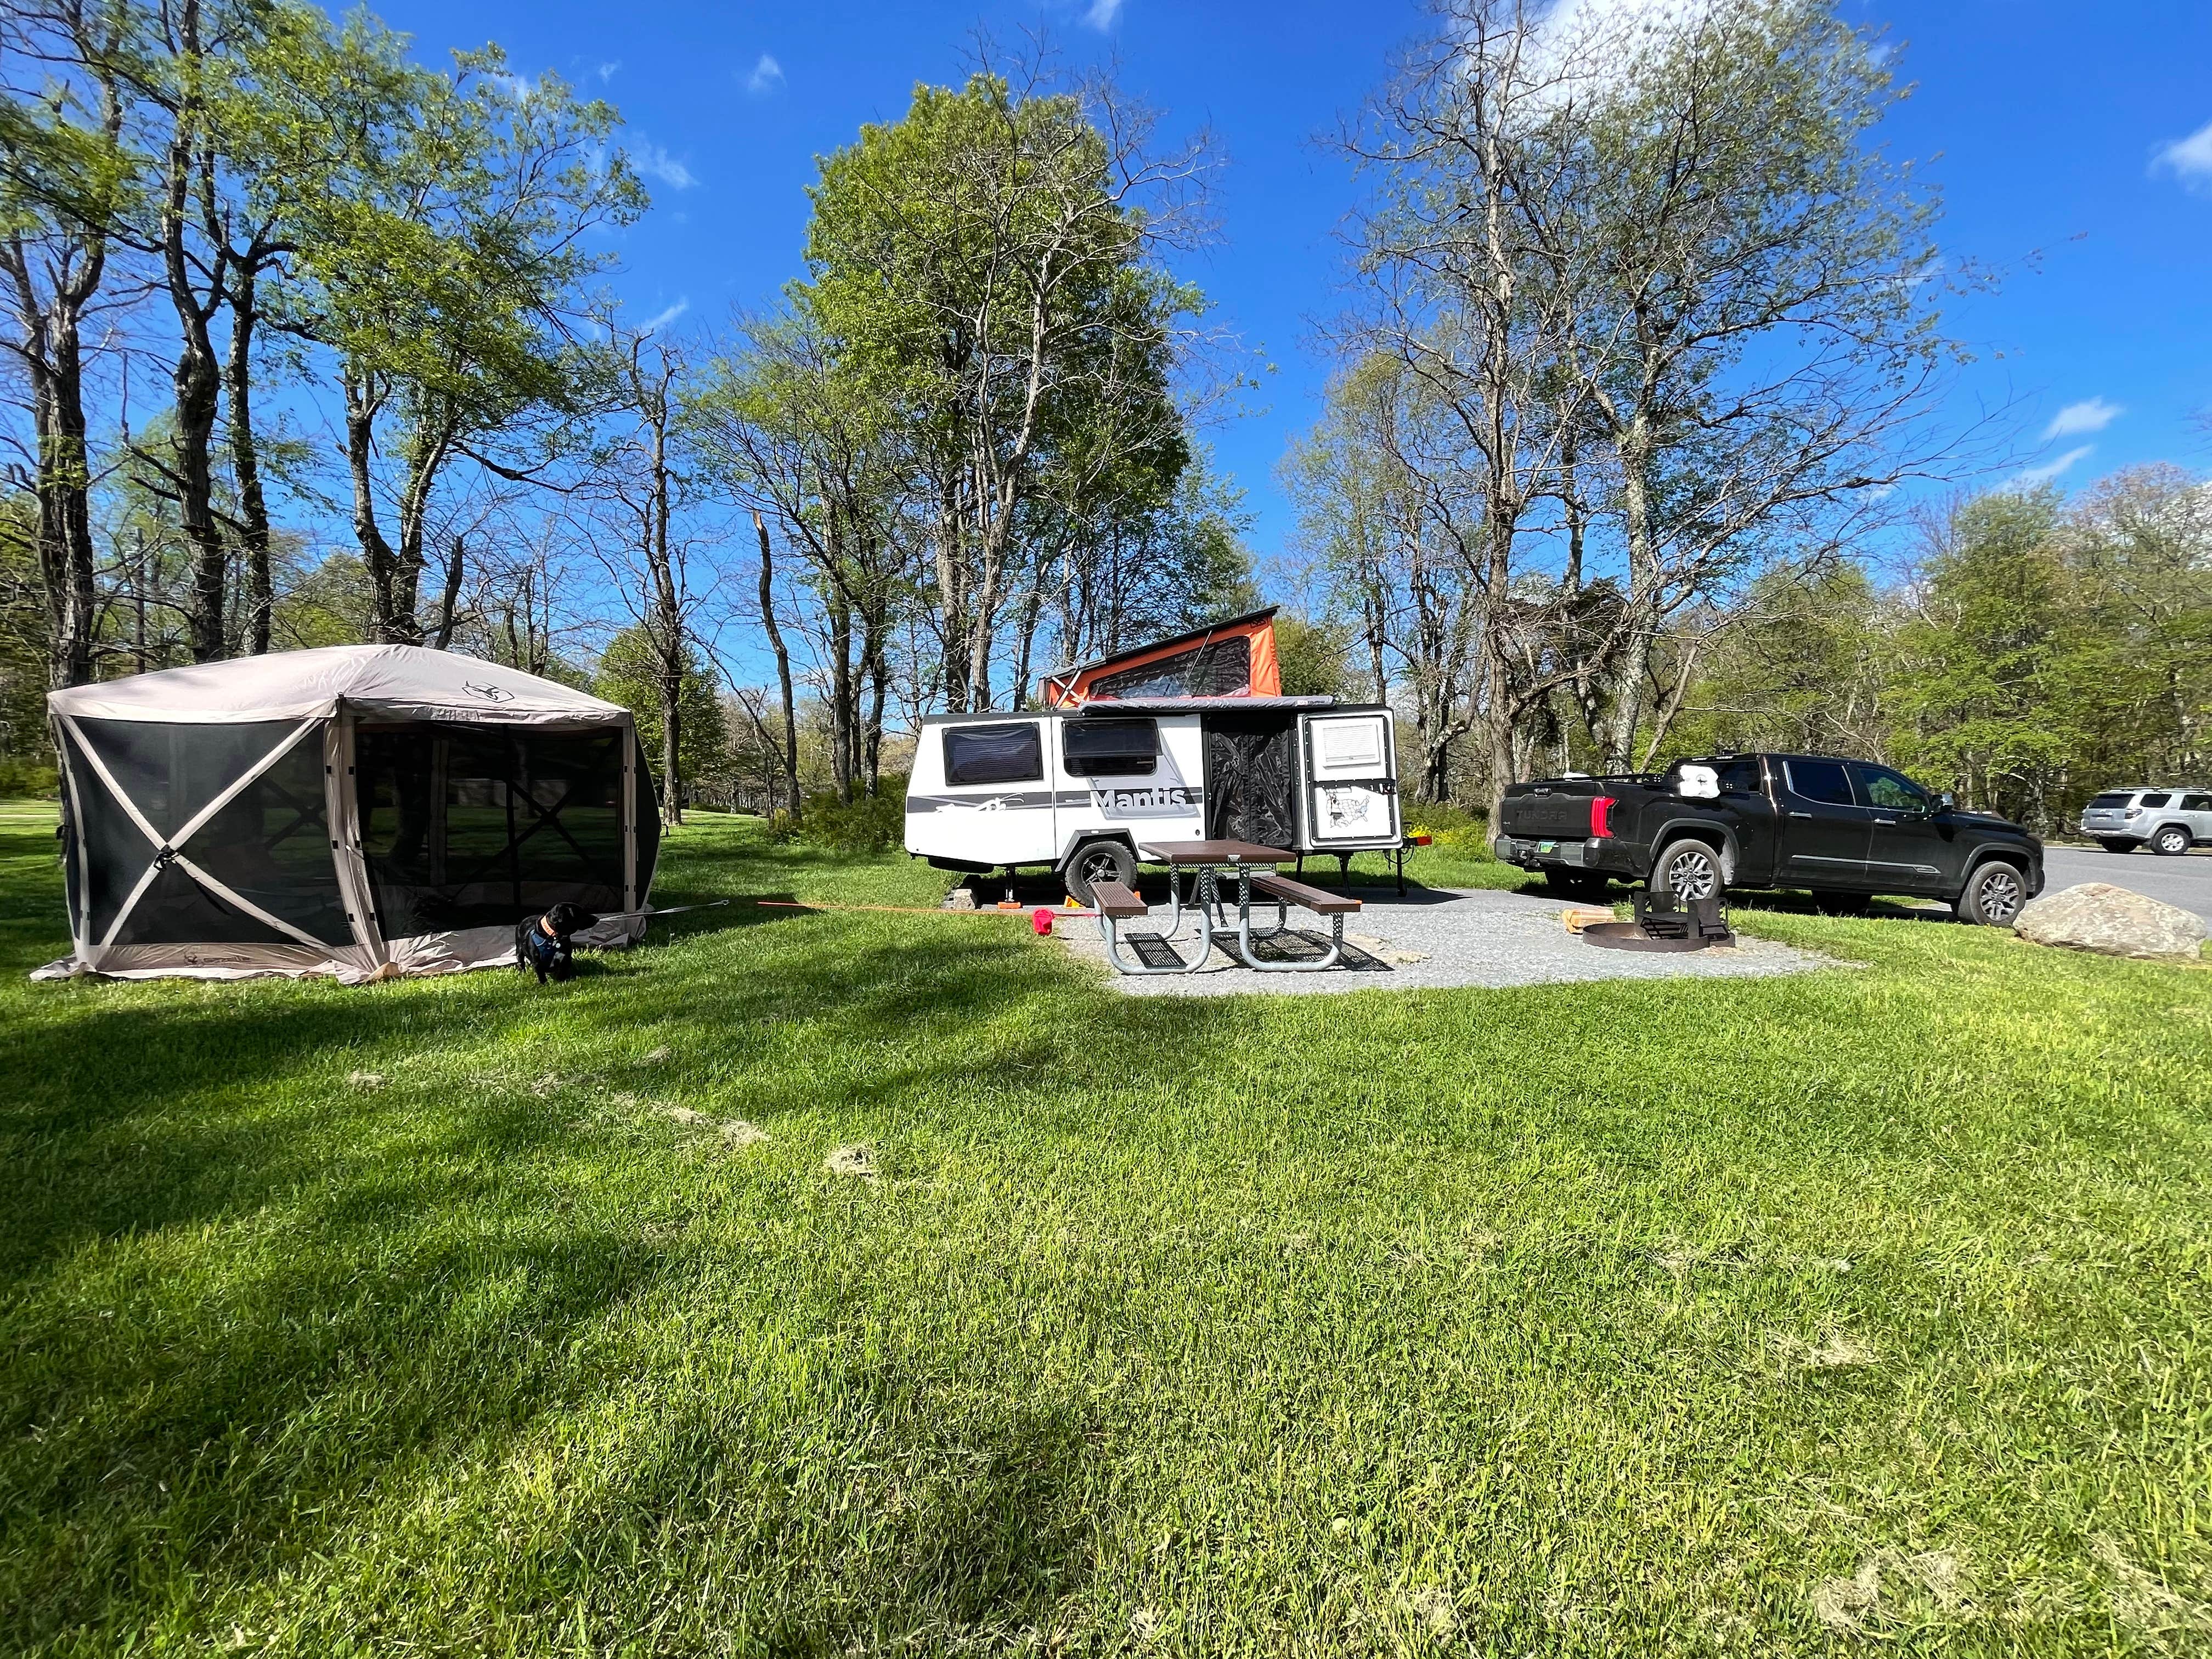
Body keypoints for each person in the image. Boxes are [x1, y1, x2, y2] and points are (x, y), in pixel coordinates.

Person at [516, 902, 599, 984]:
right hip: (531, 932)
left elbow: (567, 960)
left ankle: (561, 976)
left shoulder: (564, 935)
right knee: (527, 956)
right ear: (564, 920)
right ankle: (523, 968)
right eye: (581, 916)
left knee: (565, 959)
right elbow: (536, 963)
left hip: (559, 937)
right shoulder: (535, 938)